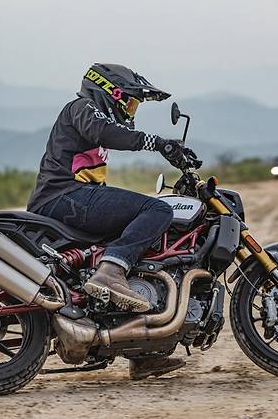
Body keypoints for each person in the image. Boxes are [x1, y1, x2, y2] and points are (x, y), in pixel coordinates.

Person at [27, 63, 191, 379]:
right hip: (62, 197)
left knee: (141, 239)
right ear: (111, 92)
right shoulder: (82, 107)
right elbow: (104, 131)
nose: (131, 110)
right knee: (157, 211)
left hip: (73, 198)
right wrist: (160, 144)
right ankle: (110, 274)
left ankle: (143, 350)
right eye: (130, 102)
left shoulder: (90, 114)